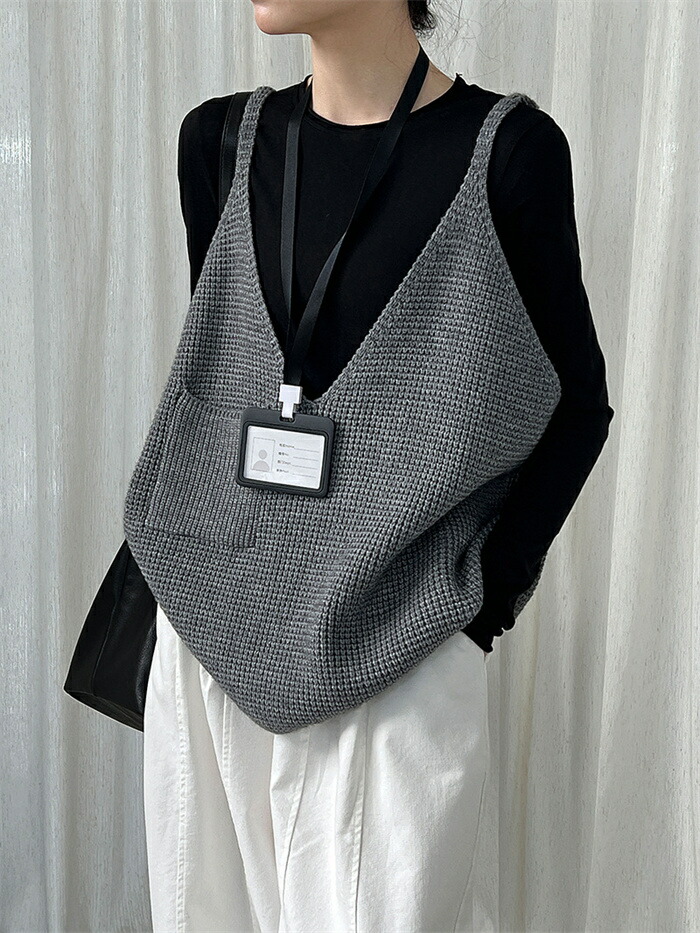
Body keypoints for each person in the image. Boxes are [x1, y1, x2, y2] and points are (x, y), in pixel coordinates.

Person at [137, 1, 614, 930]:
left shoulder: (507, 155)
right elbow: (226, 377)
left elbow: (577, 406)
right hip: (205, 642)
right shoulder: (219, 143)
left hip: (395, 651)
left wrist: (474, 605)